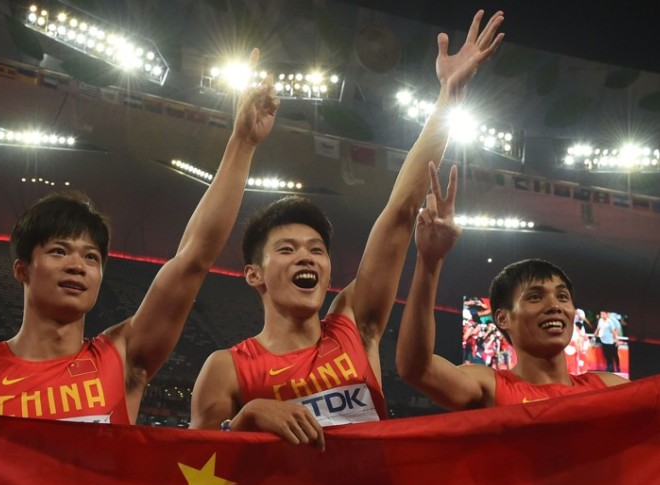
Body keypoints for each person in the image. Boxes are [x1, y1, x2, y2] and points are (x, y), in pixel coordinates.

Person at [190, 9, 505, 446]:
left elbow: (399, 213)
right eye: (287, 249)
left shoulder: (355, 325)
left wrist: (448, 96)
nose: (306, 256)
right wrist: (244, 419)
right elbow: (190, 472)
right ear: (253, 274)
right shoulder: (226, 368)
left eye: (316, 249)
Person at [0, 50, 278, 423]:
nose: (77, 265)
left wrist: (242, 143)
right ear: (22, 269)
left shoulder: (123, 358)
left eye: (91, 257)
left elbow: (193, 260)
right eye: (60, 251)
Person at [395, 162, 627, 410]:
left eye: (562, 296)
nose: (555, 306)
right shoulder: (490, 387)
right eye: (535, 297)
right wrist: (429, 262)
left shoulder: (610, 389)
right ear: (503, 318)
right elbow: (416, 368)